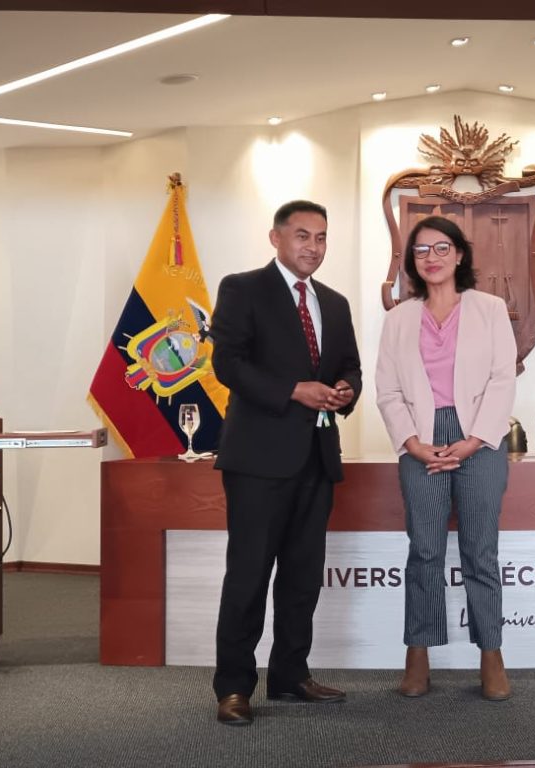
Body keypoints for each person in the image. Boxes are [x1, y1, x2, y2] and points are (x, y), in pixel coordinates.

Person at [210, 200, 362, 726]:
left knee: (303, 577)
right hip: (256, 459)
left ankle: (290, 676)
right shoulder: (242, 288)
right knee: (249, 575)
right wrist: (293, 390)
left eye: (321, 237)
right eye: (302, 236)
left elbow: (351, 367)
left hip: (317, 459)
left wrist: (346, 390)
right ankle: (233, 687)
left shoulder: (336, 303)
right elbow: (227, 362)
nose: (313, 247)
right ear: (276, 238)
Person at [376, 215, 517, 701]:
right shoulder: (398, 319)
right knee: (425, 552)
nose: (431, 258)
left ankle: (491, 654)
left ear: (459, 255)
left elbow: (503, 380)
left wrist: (475, 439)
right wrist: (413, 443)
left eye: (441, 248)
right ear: (411, 262)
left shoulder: (490, 309)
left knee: (480, 551)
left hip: (479, 440)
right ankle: (418, 652)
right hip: (421, 439)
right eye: (420, 251)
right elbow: (388, 391)